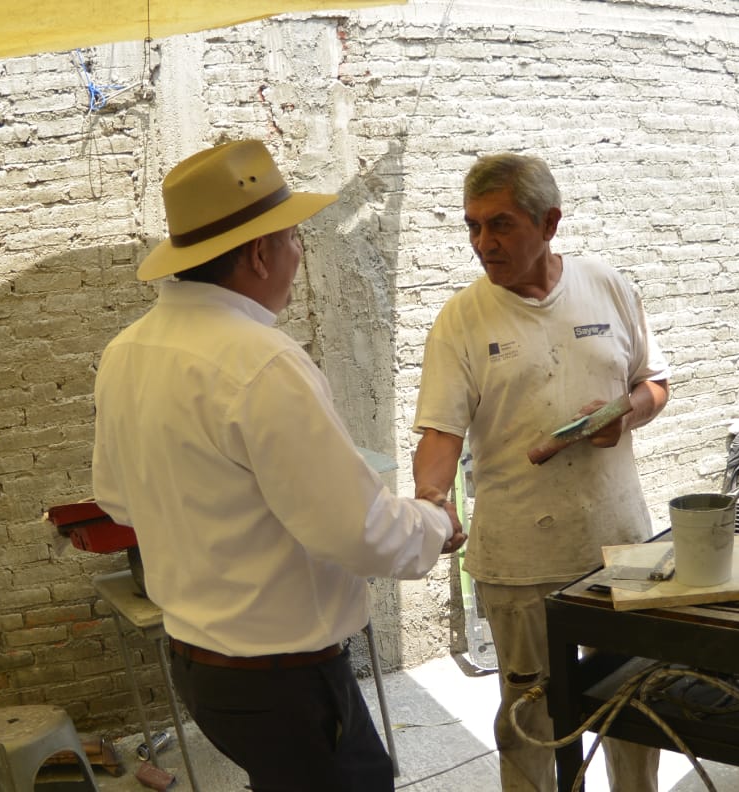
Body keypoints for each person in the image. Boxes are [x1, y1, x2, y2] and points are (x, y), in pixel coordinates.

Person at [92, 139, 465, 792]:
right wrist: (435, 521)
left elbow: (117, 499)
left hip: (203, 671)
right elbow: (358, 532)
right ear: (260, 253)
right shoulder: (261, 361)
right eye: (294, 239)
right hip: (282, 681)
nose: (299, 253)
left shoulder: (127, 350)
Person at [411, 152, 670, 792]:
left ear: (549, 223)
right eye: (472, 227)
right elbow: (440, 431)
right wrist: (432, 497)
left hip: (619, 544)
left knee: (631, 706)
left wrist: (625, 415)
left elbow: (653, 384)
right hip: (519, 560)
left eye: (500, 224)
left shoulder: (606, 285)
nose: (483, 243)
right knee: (530, 719)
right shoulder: (461, 320)